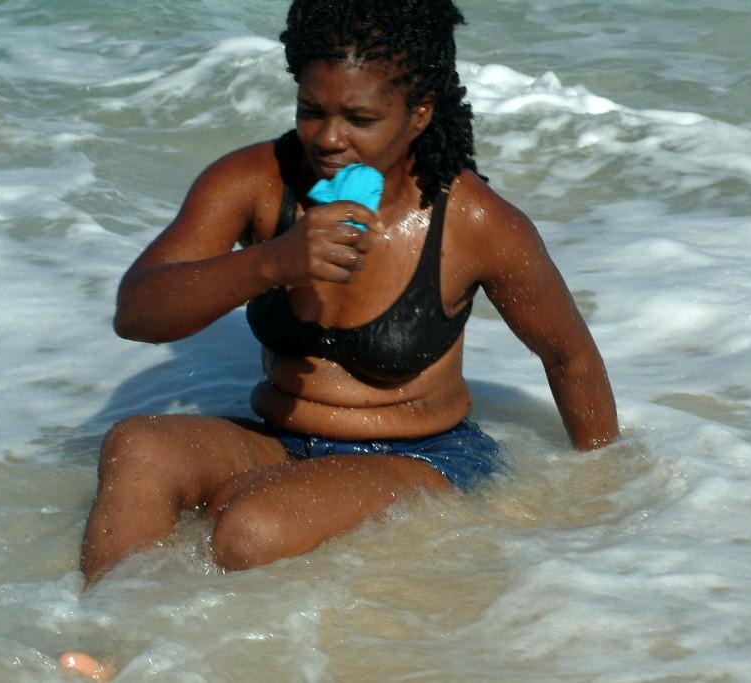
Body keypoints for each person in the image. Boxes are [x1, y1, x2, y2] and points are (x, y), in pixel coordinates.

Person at [60, 0, 618, 677]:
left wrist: (606, 495)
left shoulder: (473, 221)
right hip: (278, 437)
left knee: (250, 526)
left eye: (360, 118)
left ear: (419, 112)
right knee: (139, 445)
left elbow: (568, 354)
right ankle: (113, 645)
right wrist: (271, 262)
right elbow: (137, 312)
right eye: (311, 110)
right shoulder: (258, 182)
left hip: (422, 456)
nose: (328, 138)